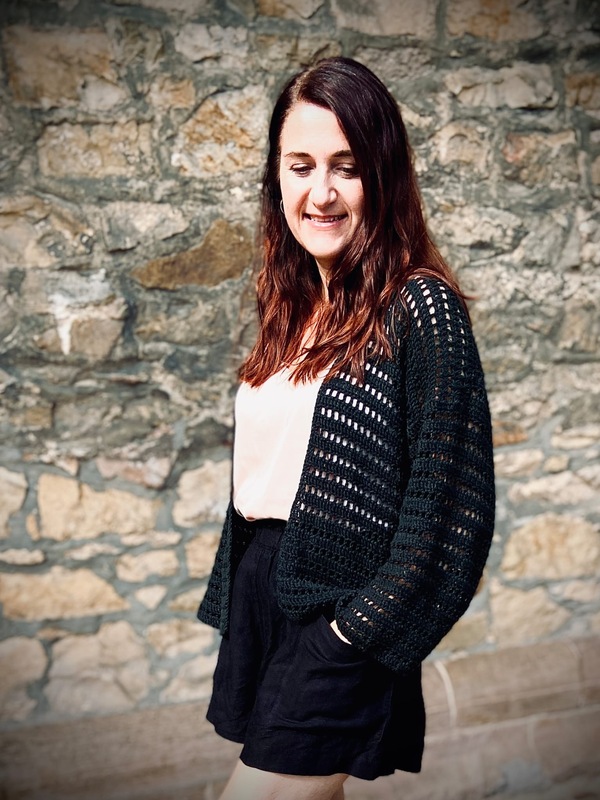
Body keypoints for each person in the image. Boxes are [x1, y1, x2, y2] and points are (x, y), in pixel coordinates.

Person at [197, 56, 495, 800]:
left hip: (339, 620)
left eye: (347, 167)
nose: (320, 192)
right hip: (266, 602)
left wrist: (354, 633)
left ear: (383, 176)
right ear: (276, 178)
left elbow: (449, 517)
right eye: (300, 166)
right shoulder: (294, 308)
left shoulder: (420, 308)